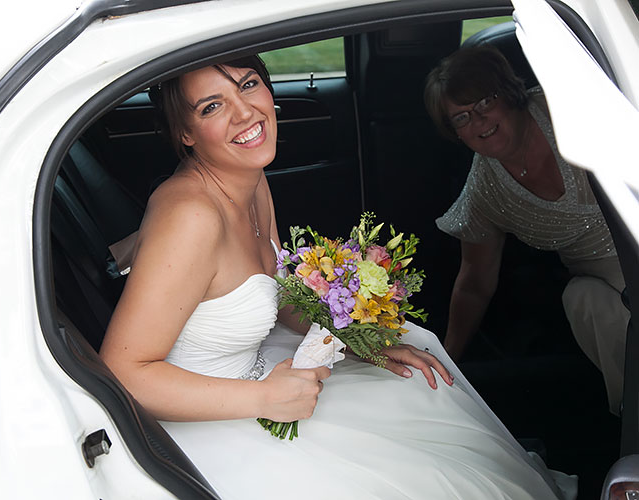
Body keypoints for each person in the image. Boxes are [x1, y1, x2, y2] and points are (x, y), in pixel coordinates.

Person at [99, 54, 568, 499]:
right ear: (184, 131)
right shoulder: (190, 216)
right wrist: (262, 398)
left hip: (265, 374)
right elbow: (123, 374)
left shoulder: (248, 178)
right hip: (208, 419)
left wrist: (363, 342)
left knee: (413, 374)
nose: (246, 113)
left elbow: (274, 292)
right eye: (212, 106)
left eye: (248, 85)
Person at [424, 45, 628, 415]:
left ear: (509, 92)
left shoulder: (567, 109)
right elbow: (474, 282)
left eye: (484, 102)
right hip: (610, 289)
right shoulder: (485, 190)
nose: (479, 121)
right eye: (462, 118)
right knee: (580, 298)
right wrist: (448, 359)